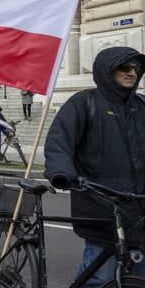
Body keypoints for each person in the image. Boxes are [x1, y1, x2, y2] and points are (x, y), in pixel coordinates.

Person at [44, 46, 145, 286]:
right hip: (101, 205)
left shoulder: (141, 106)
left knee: (139, 276)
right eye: (125, 67)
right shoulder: (83, 102)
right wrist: (61, 171)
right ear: (107, 70)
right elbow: (59, 141)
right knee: (101, 275)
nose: (131, 72)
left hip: (139, 207)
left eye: (136, 68)